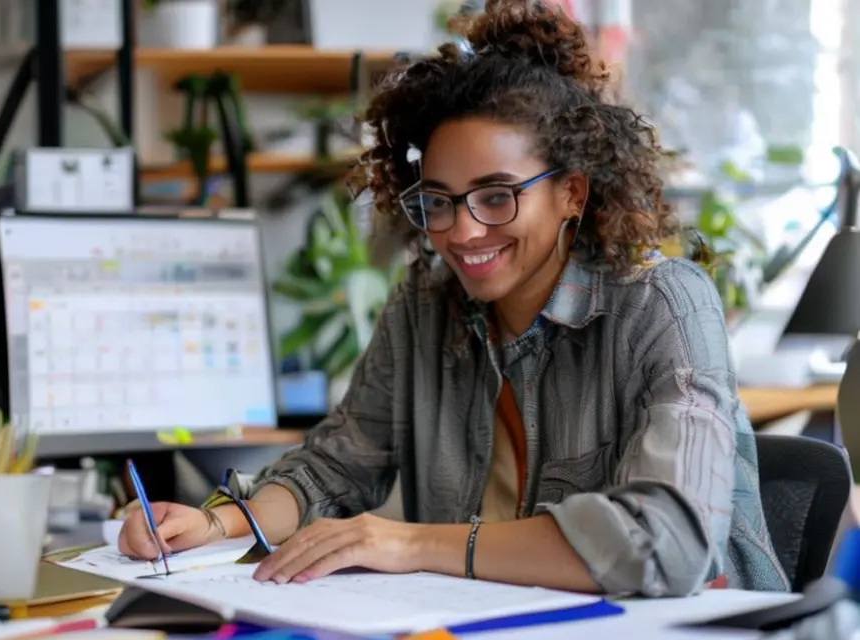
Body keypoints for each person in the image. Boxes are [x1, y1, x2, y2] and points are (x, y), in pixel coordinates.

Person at [120, 0, 790, 596]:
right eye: (438, 201)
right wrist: (216, 524)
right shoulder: (425, 305)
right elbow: (335, 464)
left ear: (571, 192)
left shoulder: (664, 303)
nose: (462, 231)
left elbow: (664, 543)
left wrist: (411, 544)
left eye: (496, 196)